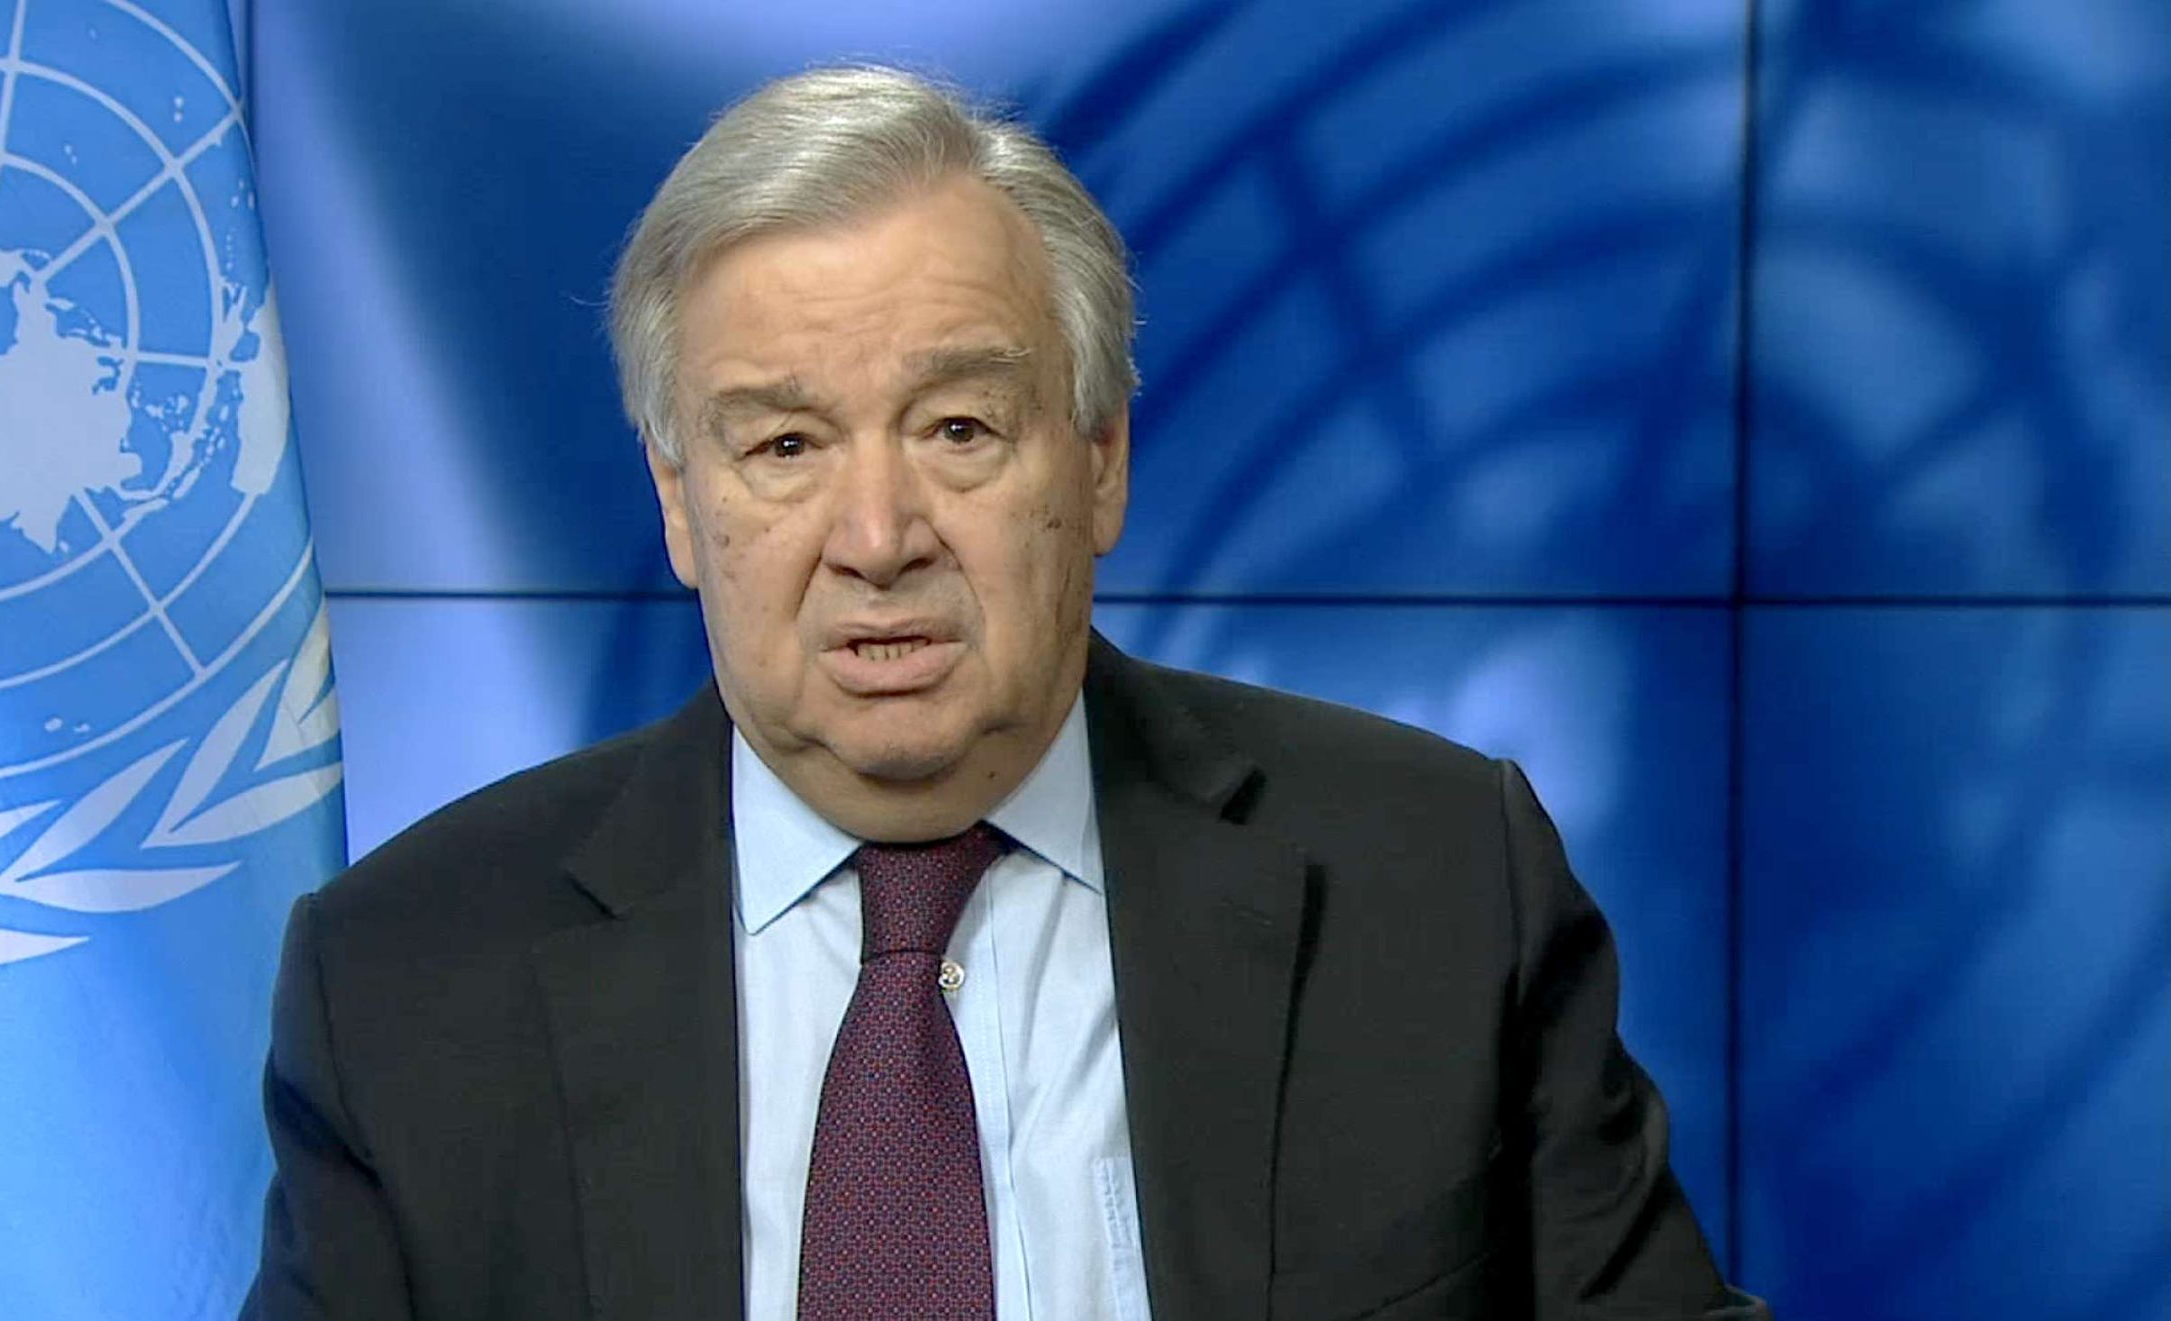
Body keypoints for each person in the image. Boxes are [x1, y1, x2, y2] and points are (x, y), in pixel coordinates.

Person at [243, 65, 1768, 1321]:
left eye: (959, 428)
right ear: (680, 505)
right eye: (784, 446)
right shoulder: (406, 981)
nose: (877, 536)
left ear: (1098, 461)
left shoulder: (1434, 880)